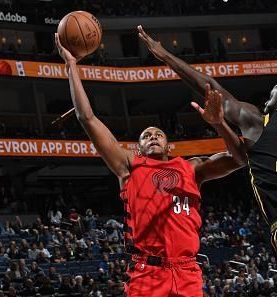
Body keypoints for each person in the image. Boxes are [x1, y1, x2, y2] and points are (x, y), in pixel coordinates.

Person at [137, 25, 277, 296]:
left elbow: (214, 92)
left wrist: (166, 56)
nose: (265, 102)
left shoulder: (258, 122)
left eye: (270, 98)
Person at [55, 33, 246, 297]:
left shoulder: (191, 168)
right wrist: (71, 66)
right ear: (139, 148)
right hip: (147, 273)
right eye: (146, 135)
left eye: (158, 134)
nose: (153, 136)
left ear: (169, 147)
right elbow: (86, 118)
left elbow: (240, 159)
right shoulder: (129, 167)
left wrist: (219, 124)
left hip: (187, 271)